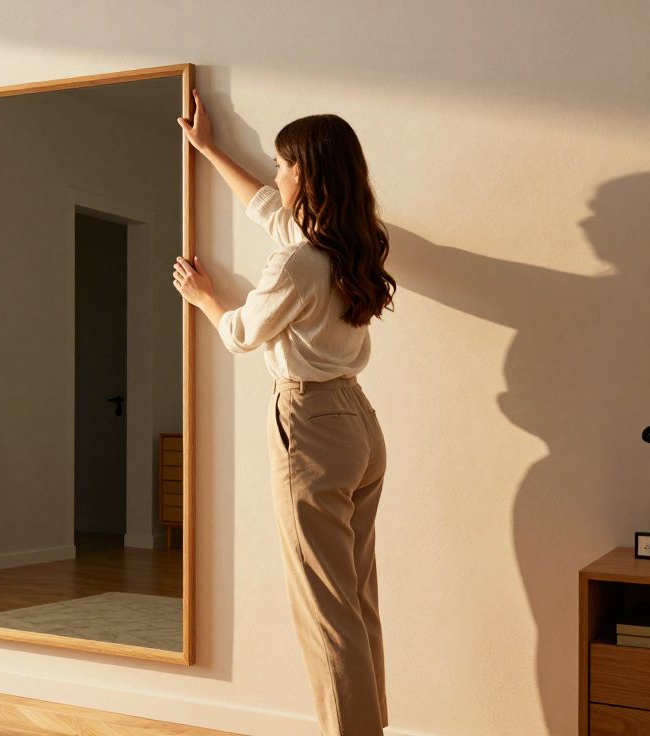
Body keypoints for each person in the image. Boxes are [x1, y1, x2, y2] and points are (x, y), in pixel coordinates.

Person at [173, 90, 397, 736]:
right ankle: (367, 727)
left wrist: (204, 297)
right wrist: (209, 148)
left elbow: (243, 333)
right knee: (354, 601)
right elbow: (267, 209)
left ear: (306, 172)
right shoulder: (351, 243)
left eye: (280, 164)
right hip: (358, 425)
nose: (274, 174)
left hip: (311, 430)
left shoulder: (299, 263)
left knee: (326, 613)